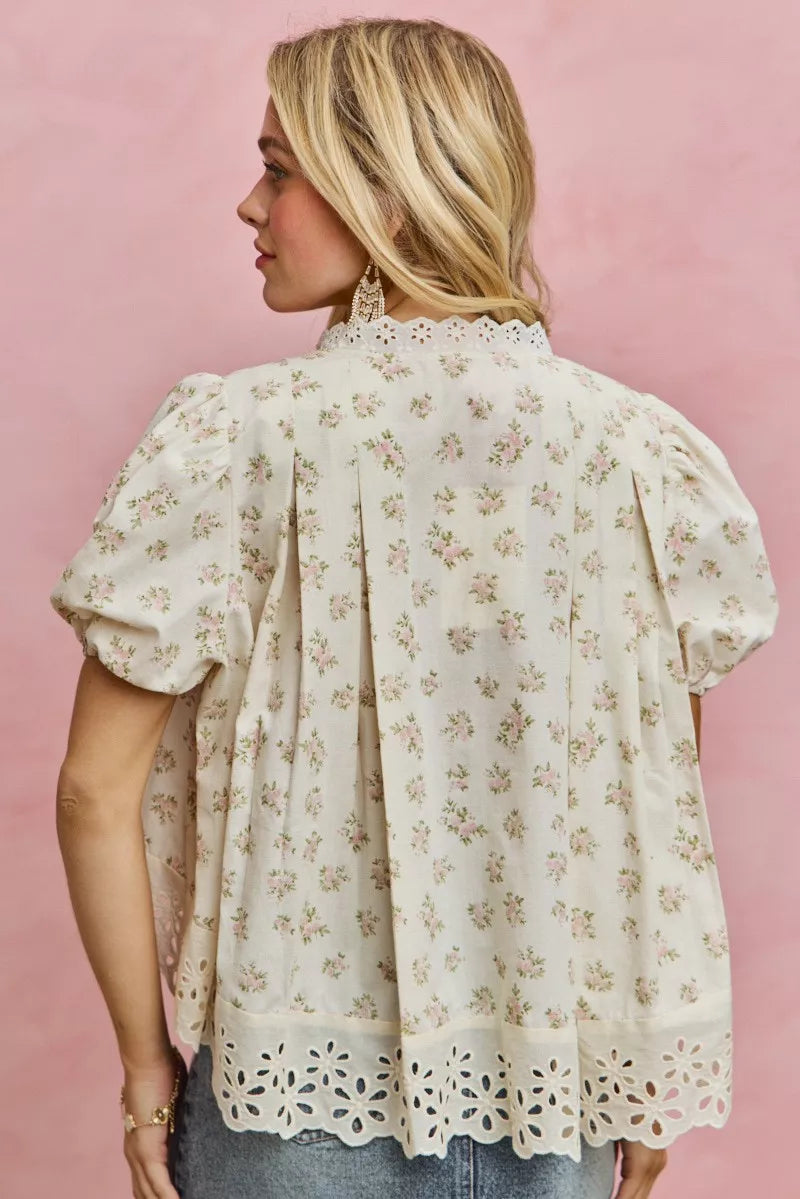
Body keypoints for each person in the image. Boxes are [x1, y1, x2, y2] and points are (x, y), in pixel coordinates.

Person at [50, 16, 779, 1199]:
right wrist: (641, 1071)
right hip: (554, 1101)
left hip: (284, 1103)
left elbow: (94, 788)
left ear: (386, 197)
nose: (248, 205)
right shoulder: (636, 455)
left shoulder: (234, 440)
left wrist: (145, 1074)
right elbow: (650, 792)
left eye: (277, 170)